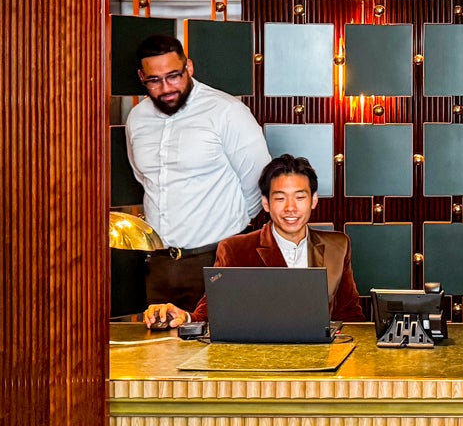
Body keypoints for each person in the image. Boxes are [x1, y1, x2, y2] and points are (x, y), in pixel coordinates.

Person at [126, 34, 272, 308]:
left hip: (217, 260)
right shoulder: (137, 118)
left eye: (174, 76)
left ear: (189, 67)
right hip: (158, 264)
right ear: (141, 77)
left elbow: (258, 183)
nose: (166, 88)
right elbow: (144, 178)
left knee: (219, 336)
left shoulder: (227, 111)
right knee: (162, 337)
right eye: (154, 80)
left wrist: (229, 237)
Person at [142, 154, 363, 328]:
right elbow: (209, 314)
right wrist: (184, 317)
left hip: (321, 359)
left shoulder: (338, 246)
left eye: (300, 197)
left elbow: (351, 318)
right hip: (257, 361)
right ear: (266, 203)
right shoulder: (235, 249)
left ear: (313, 200)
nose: (291, 208)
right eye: (280, 198)